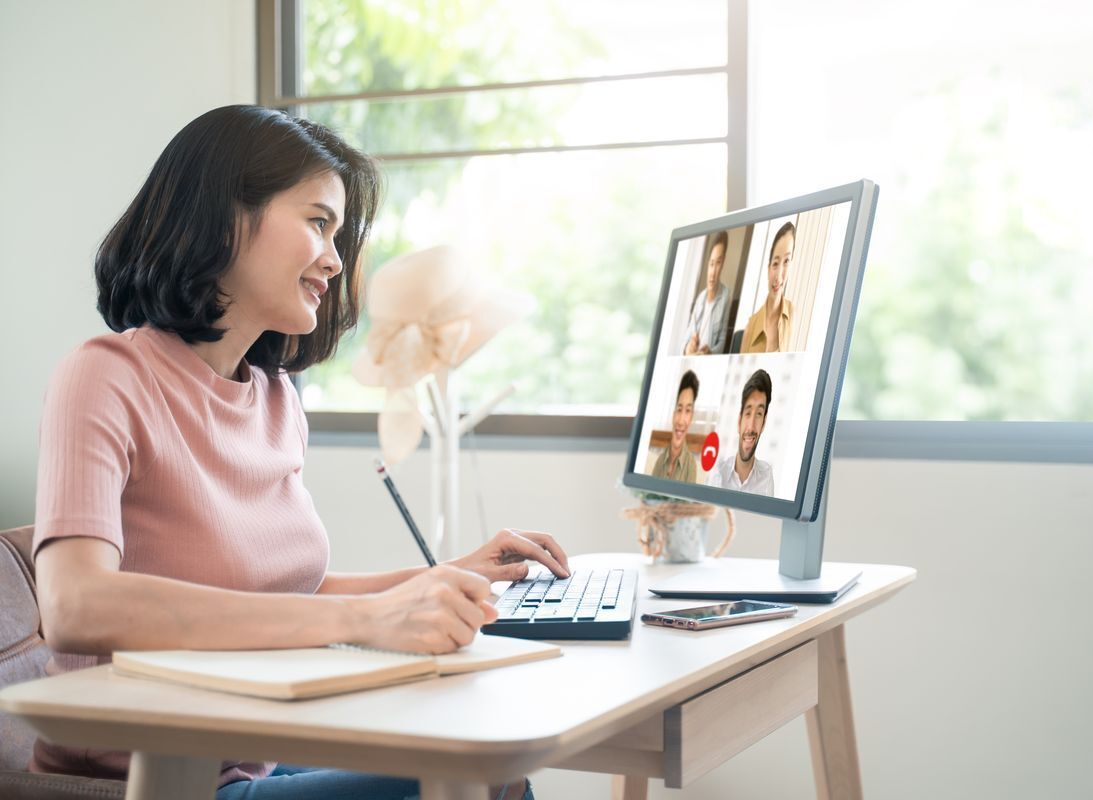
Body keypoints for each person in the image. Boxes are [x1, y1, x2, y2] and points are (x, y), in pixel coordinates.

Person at [31, 105, 560, 800]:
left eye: (338, 233)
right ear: (223, 215)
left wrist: (448, 576)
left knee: (489, 761)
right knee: (484, 781)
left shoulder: (276, 398)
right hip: (159, 778)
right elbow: (76, 605)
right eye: (318, 222)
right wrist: (370, 618)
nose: (335, 261)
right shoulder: (105, 375)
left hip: (248, 752)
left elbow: (282, 596)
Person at [706, 369, 775, 495]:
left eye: (759, 414)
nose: (751, 427)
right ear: (739, 422)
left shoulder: (766, 476)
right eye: (748, 413)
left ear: (764, 423)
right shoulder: (718, 473)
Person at [740, 222, 796, 353]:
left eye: (786, 261)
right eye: (775, 263)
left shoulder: (793, 315)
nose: (778, 275)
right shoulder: (751, 326)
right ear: (768, 268)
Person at [683, 231, 732, 355]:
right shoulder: (700, 298)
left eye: (718, 263)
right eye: (711, 264)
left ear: (724, 263)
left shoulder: (725, 295)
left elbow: (722, 342)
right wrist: (688, 347)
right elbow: (687, 338)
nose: (713, 272)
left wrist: (710, 352)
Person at [650, 370, 700, 482]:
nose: (681, 421)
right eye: (679, 409)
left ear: (691, 417)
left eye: (687, 411)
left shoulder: (690, 466)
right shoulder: (660, 460)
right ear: (673, 415)